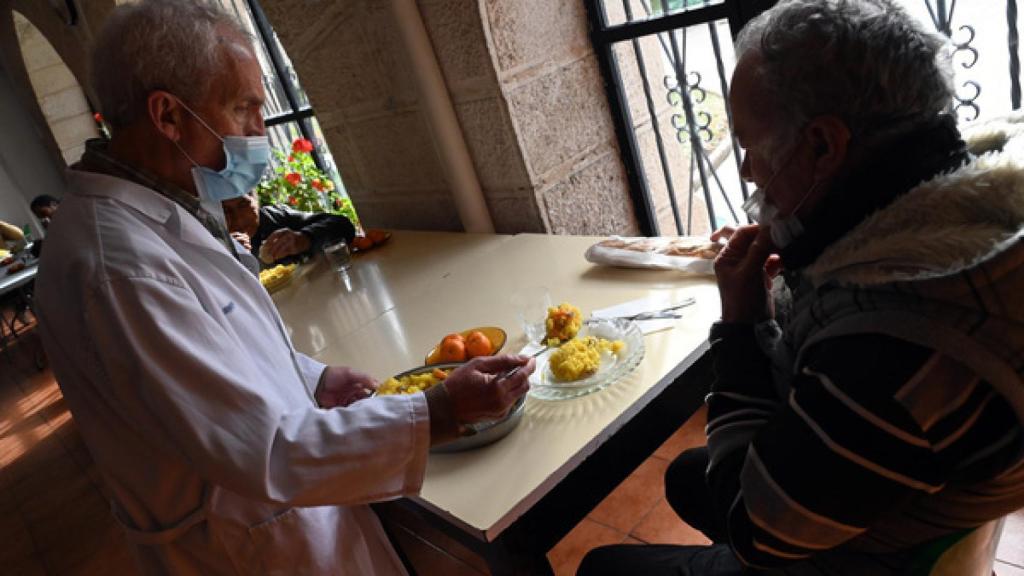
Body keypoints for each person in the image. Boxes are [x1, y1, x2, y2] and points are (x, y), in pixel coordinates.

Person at [34, 1, 534, 574]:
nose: (259, 132)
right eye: (244, 108)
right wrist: (439, 411)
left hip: (275, 517)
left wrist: (313, 378)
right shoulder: (118, 270)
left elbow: (219, 346)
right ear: (168, 116)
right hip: (247, 541)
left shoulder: (164, 211)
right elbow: (265, 450)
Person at [579, 1, 1024, 574]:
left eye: (752, 145)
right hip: (912, 495)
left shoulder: (893, 356)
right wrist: (797, 247)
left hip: (878, 555)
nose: (746, 170)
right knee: (687, 474)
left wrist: (740, 325)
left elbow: (753, 530)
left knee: (604, 565)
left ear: (822, 145)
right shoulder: (971, 212)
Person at [222, 192, 355, 265]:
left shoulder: (274, 217)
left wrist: (304, 238)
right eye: (225, 211)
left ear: (256, 201)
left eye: (243, 205)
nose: (238, 219)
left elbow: (342, 225)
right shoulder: (212, 241)